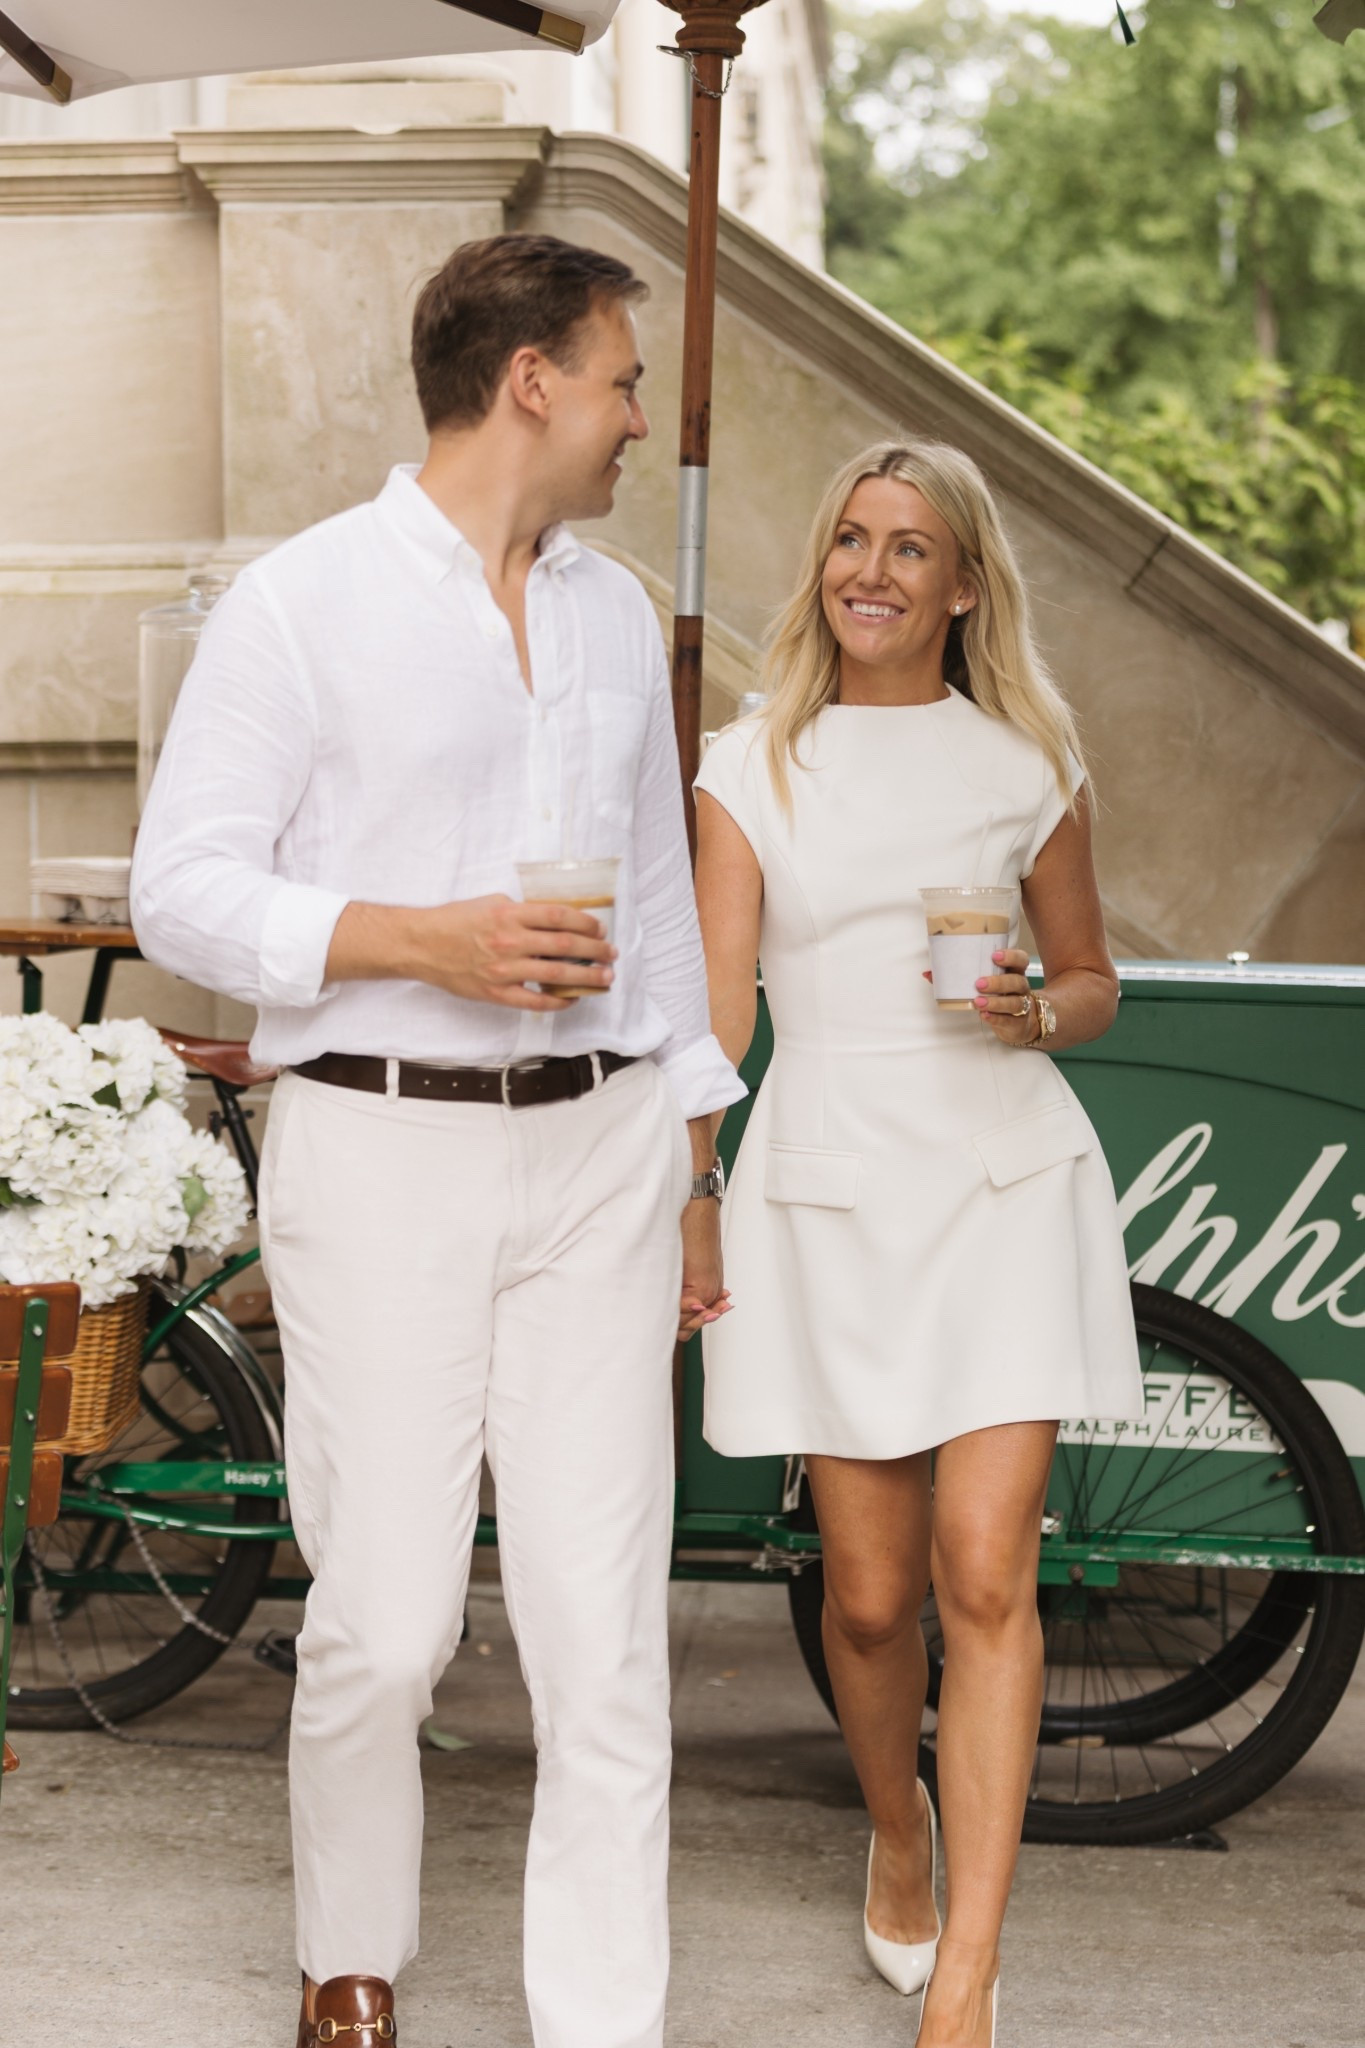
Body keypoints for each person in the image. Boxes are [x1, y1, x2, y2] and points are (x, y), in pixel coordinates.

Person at [131, 232, 742, 2048]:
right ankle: (351, 1957)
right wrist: (424, 939)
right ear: (532, 378)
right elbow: (186, 888)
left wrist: (694, 1159)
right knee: (386, 1624)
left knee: (602, 1630)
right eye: (624, 378)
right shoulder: (300, 603)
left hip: (604, 1154)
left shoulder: (621, 616)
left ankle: (601, 2019)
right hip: (380, 1149)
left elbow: (650, 911)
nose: (640, 416)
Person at [691, 441, 1143, 2047]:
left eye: (909, 549)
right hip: (822, 1180)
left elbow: (1090, 979)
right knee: (870, 1599)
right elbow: (720, 1008)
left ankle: (968, 1967)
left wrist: (1042, 1010)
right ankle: (900, 1826)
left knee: (981, 1573)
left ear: (963, 585)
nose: (870, 573)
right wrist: (686, 1182)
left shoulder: (1025, 758)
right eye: (849, 542)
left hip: (1000, 1181)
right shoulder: (751, 763)